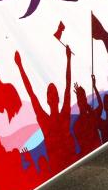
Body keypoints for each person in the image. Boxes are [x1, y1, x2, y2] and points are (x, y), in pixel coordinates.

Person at [15, 45, 77, 175]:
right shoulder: (44, 120)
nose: (52, 95)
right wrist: (20, 66)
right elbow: (31, 93)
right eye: (50, 93)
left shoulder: (64, 114)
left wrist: (69, 59)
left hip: (72, 166)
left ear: (58, 98)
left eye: (54, 92)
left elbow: (68, 84)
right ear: (48, 100)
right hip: (57, 171)